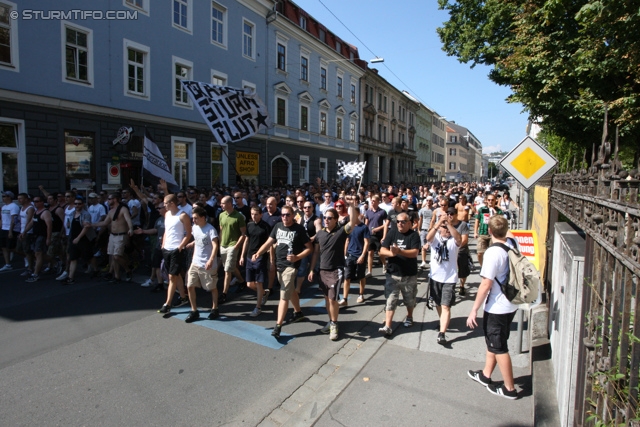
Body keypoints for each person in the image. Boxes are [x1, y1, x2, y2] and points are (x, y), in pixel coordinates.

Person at [466, 215, 519, 400]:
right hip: (511, 302)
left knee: (499, 346)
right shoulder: (512, 242)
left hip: (498, 306)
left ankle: (509, 389)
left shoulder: (492, 253)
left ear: (489, 231)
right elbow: (507, 232)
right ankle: (486, 375)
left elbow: (486, 284)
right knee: (494, 340)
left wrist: (474, 309)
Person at [252, 204, 313, 339]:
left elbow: (309, 248)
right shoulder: (277, 226)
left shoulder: (299, 229)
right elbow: (268, 242)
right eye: (283, 215)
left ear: (292, 216)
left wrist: (297, 257)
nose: (285, 217)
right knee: (290, 290)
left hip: (291, 266)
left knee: (284, 295)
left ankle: (278, 325)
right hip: (280, 265)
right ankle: (298, 312)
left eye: (288, 215)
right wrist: (258, 253)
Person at [309, 197, 358, 341]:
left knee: (332, 299)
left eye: (329, 218)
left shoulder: (341, 231)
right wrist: (312, 269)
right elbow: (316, 253)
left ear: (336, 220)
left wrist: (352, 206)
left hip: (336, 270)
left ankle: (334, 325)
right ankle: (330, 321)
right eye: (325, 218)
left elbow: (353, 222)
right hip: (323, 270)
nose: (326, 220)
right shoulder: (320, 234)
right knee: (326, 299)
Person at [378, 212, 421, 336]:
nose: (399, 224)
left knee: (409, 300)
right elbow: (382, 249)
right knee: (390, 300)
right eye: (398, 222)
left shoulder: (413, 235)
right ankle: (388, 326)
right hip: (393, 273)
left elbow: (414, 253)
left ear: (409, 223)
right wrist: (392, 254)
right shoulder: (392, 233)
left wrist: (399, 251)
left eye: (402, 222)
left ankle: (409, 316)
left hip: (409, 274)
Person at [426, 209, 462, 345]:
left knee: (446, 306)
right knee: (438, 304)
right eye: (443, 227)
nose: (445, 229)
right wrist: (438, 223)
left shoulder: (453, 241)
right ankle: (443, 322)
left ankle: (442, 333)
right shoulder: (435, 240)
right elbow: (428, 238)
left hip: (449, 279)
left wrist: (448, 224)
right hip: (435, 277)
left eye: (447, 228)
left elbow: (459, 239)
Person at [156, 194, 192, 314]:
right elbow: (167, 231)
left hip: (176, 250)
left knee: (172, 277)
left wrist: (180, 247)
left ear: (172, 203)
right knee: (175, 275)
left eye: (165, 203)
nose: (163, 205)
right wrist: (163, 244)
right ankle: (183, 297)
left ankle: (167, 303)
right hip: (166, 248)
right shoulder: (167, 214)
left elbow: (188, 234)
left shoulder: (183, 216)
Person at [87, 193, 134, 283]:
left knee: (116, 256)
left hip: (121, 235)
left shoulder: (123, 209)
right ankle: (117, 277)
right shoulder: (111, 211)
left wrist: (131, 229)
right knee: (113, 256)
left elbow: (128, 219)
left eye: (109, 199)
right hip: (112, 235)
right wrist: (91, 224)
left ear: (115, 199)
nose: (107, 201)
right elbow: (105, 223)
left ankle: (128, 270)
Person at [184, 206, 220, 323]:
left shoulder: (211, 230)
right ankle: (194, 311)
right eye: (192, 218)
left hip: (207, 264)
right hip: (195, 262)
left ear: (203, 218)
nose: (193, 220)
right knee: (189, 285)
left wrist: (210, 260)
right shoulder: (195, 228)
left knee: (211, 288)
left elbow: (215, 245)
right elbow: (198, 238)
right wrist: (192, 243)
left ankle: (215, 308)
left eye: (195, 218)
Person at [240, 206, 273, 317]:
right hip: (249, 257)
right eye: (252, 214)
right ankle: (263, 293)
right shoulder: (249, 225)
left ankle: (258, 307)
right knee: (249, 284)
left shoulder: (266, 227)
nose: (253, 216)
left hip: (260, 258)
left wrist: (271, 260)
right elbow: (246, 240)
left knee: (259, 283)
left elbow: (270, 244)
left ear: (261, 215)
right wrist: (242, 256)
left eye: (256, 214)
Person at [218, 195, 247, 304]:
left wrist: (236, 246)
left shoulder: (238, 216)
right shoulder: (221, 215)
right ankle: (242, 281)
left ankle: (224, 294)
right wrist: (220, 242)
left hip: (232, 246)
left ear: (229, 204)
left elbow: (243, 233)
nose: (221, 205)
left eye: (223, 203)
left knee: (227, 270)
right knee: (231, 267)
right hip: (223, 245)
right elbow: (221, 230)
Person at [339, 206, 370, 306]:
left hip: (360, 255)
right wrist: (344, 255)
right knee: (346, 277)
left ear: (357, 214)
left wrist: (362, 255)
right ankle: (345, 299)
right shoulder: (349, 227)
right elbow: (347, 241)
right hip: (350, 255)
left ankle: (361, 294)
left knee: (361, 276)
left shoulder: (364, 227)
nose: (350, 215)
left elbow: (366, 242)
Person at [64, 196, 95, 284]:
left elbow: (86, 228)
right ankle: (70, 278)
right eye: (76, 204)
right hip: (73, 238)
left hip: (84, 239)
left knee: (89, 256)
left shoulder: (86, 214)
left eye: (79, 204)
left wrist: (78, 238)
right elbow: (70, 226)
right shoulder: (72, 214)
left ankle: (96, 270)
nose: (77, 205)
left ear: (83, 204)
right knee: (73, 258)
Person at [25, 196, 52, 282]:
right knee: (38, 254)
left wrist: (48, 238)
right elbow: (31, 223)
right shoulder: (36, 212)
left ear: (42, 202)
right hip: (35, 236)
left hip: (42, 236)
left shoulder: (45, 212)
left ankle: (36, 274)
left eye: (37, 201)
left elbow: (49, 226)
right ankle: (55, 262)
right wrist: (24, 232)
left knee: (38, 254)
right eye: (34, 201)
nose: (35, 203)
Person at [474, 195, 503, 267]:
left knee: (492, 254)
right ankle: (483, 267)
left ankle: (492, 268)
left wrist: (495, 213)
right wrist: (475, 232)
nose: (490, 201)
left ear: (495, 200)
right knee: (480, 253)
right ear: (486, 200)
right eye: (489, 200)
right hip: (483, 233)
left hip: (493, 235)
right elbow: (477, 220)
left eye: (492, 200)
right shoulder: (482, 209)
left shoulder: (499, 211)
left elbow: (501, 221)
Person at [364, 194, 388, 277]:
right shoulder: (368, 212)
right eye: (371, 201)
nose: (372, 202)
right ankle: (369, 271)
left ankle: (384, 264)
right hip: (370, 235)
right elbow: (366, 224)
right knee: (370, 252)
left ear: (378, 202)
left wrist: (379, 228)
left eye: (374, 201)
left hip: (379, 235)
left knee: (380, 253)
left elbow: (386, 224)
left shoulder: (382, 212)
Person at [16, 193, 35, 276]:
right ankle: (31, 259)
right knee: (18, 250)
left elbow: (29, 221)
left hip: (28, 232)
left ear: (26, 199)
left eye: (21, 198)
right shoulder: (22, 208)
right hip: (22, 231)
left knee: (27, 251)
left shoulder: (30, 208)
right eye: (18, 198)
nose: (19, 200)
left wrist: (24, 232)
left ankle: (30, 268)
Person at [0, 191, 20, 271]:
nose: (3, 198)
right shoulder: (4, 207)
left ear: (9, 197)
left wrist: (11, 231)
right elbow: (2, 218)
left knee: (11, 247)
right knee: (4, 247)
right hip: (4, 229)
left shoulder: (13, 206)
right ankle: (7, 264)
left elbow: (13, 220)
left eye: (4, 196)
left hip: (11, 229)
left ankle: (27, 256)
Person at [418, 196, 435, 269]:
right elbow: (420, 220)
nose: (428, 202)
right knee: (423, 246)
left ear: (432, 201)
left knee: (432, 246)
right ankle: (423, 261)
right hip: (423, 229)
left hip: (431, 230)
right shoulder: (422, 210)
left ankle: (432, 261)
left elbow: (434, 220)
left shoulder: (434, 210)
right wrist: (419, 229)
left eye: (430, 200)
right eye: (427, 200)